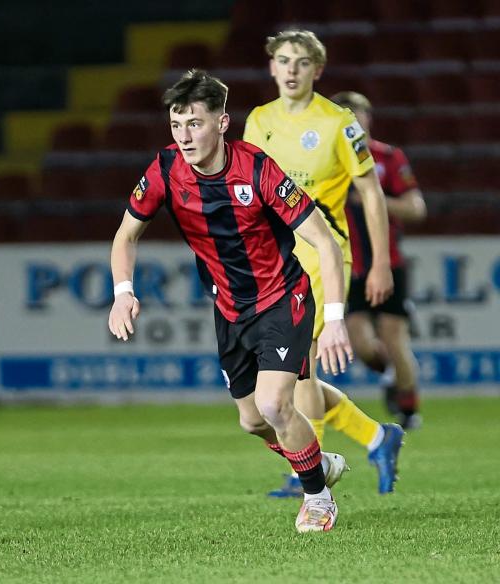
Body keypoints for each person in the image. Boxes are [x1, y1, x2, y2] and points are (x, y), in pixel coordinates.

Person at [109, 70, 353, 533]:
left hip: (284, 298)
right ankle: (316, 463)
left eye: (195, 124)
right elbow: (125, 237)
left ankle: (318, 498)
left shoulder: (258, 169)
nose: (184, 137)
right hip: (229, 309)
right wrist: (123, 292)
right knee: (252, 421)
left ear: (222, 123)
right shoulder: (164, 170)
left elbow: (324, 242)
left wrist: (336, 318)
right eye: (176, 125)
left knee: (275, 405)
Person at [243, 29, 404, 496]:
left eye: (301, 62)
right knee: (291, 373)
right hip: (272, 257)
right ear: (271, 66)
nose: (291, 70)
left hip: (321, 252)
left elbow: (371, 193)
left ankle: (305, 474)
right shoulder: (259, 121)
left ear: (318, 70)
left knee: (298, 365)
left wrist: (379, 264)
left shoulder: (339, 123)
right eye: (284, 60)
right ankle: (377, 436)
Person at [331, 91, 427, 430]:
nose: (352, 123)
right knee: (360, 344)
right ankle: (390, 374)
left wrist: (371, 199)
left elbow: (416, 209)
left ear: (368, 118)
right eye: (344, 118)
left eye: (356, 115)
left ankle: (408, 408)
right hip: (348, 265)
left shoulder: (388, 157)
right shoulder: (331, 164)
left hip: (387, 262)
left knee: (393, 336)